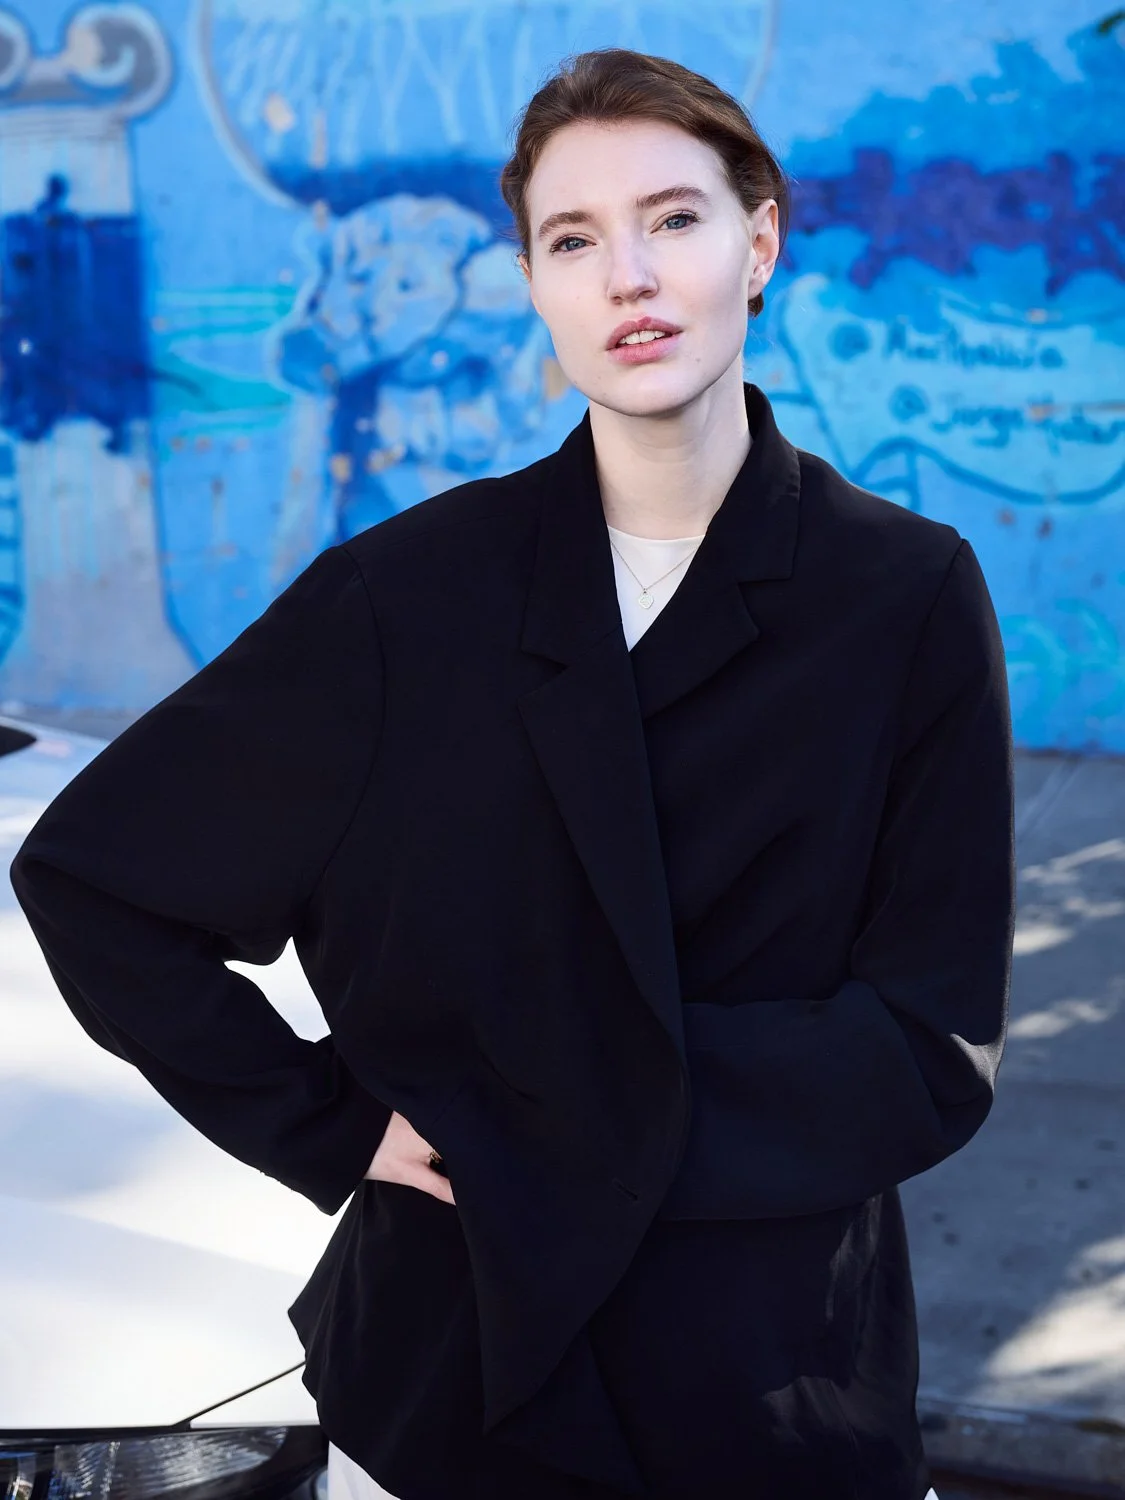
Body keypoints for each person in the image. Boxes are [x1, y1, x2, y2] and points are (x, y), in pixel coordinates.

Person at [10, 46, 1013, 1500]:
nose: (630, 276)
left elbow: (928, 1048)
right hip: (452, 1376)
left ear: (761, 243)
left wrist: (536, 1119)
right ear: (533, 284)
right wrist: (335, 1123)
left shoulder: (904, 595)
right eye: (572, 238)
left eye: (674, 217)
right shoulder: (405, 598)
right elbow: (99, 879)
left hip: (773, 1379)